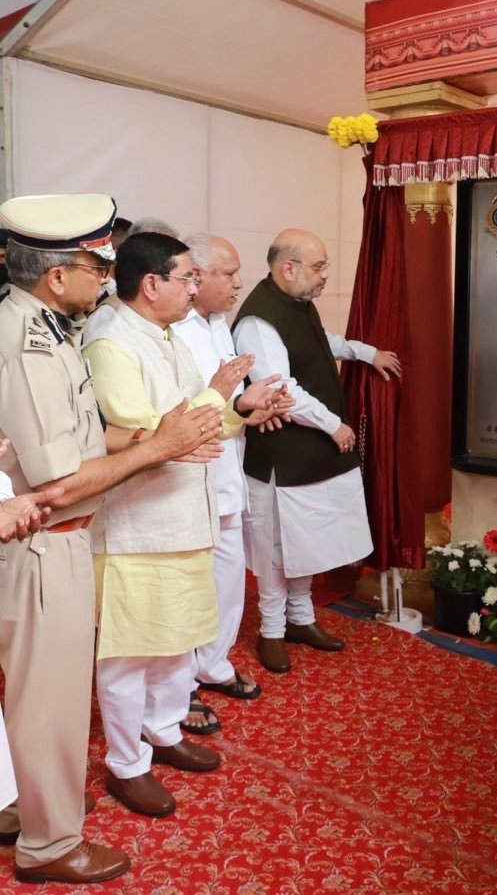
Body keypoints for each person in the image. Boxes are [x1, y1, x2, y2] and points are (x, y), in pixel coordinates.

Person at [0, 193, 220, 883]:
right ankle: (50, 842)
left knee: (44, 698)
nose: (107, 274)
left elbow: (81, 438)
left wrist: (155, 437)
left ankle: (32, 806)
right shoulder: (30, 338)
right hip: (46, 539)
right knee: (49, 702)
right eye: (98, 263)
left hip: (56, 533)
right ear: (57, 274)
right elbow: (61, 479)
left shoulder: (45, 324)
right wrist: (161, 447)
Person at [82, 232, 281, 818]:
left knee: (174, 640)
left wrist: (236, 407)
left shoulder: (166, 334)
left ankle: (163, 730)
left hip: (182, 512)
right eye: (188, 278)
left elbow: (199, 421)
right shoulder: (112, 340)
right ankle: (125, 764)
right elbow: (142, 431)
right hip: (137, 522)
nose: (197, 288)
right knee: (128, 650)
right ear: (152, 284)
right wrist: (215, 398)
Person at [232, 228, 401, 673]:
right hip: (279, 454)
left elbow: (318, 341)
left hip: (310, 448)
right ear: (288, 268)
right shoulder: (257, 320)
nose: (325, 275)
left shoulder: (296, 303)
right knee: (275, 546)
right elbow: (282, 390)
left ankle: (301, 618)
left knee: (307, 540)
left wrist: (365, 352)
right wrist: (335, 425)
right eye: (319, 266)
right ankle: (271, 628)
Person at [172, 233, 294, 732]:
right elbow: (180, 408)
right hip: (186, 476)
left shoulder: (219, 324)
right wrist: (240, 406)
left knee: (226, 578)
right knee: (186, 588)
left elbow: (231, 398)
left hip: (227, 470)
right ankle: (177, 692)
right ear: (195, 278)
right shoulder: (172, 330)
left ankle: (213, 664)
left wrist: (255, 407)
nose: (238, 283)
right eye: (228, 274)